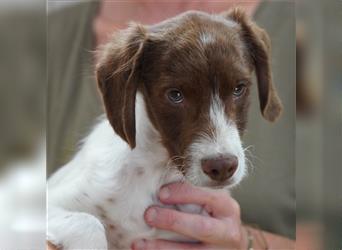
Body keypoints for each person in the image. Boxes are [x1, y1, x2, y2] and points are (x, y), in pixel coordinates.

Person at [47, 1, 295, 249]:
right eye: (175, 95)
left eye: (238, 88)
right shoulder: (102, 175)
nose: (219, 152)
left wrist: (247, 242)